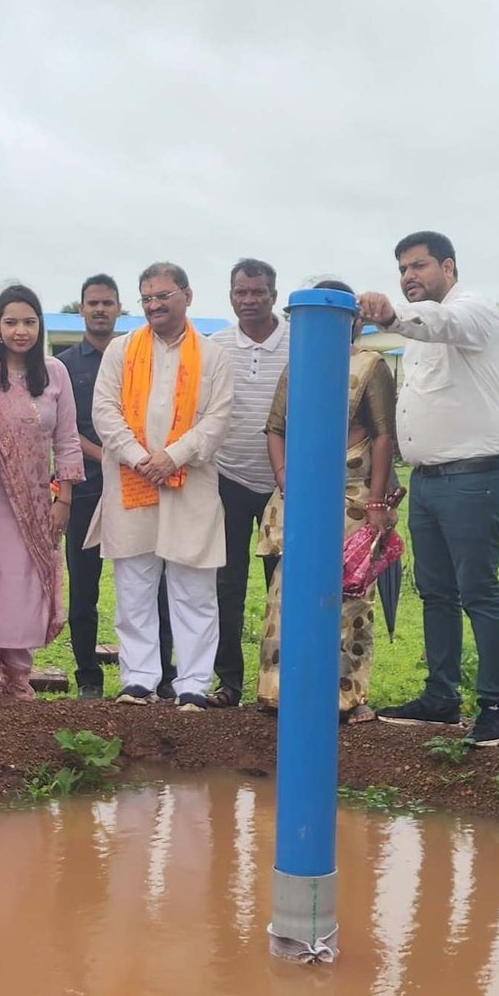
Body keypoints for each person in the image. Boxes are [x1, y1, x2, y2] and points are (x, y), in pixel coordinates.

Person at [357, 232, 499, 747]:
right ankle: (441, 697)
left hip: (473, 478)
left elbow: (443, 323)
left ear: (448, 266)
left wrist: (390, 317)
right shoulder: (420, 334)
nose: (410, 276)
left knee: (478, 590)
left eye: (420, 266)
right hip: (429, 481)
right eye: (403, 268)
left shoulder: (473, 312)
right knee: (435, 593)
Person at [89, 262, 232, 708]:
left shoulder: (213, 356)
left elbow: (218, 420)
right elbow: (104, 411)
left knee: (193, 589)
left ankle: (192, 684)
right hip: (132, 483)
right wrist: (138, 458)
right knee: (133, 586)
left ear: (186, 296)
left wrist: (173, 456)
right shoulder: (121, 349)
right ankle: (139, 679)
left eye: (162, 296)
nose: (153, 305)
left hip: (191, 487)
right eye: (146, 298)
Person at [256, 280, 397, 721]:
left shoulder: (372, 366)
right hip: (301, 496)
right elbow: (275, 429)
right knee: (289, 593)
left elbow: (383, 436)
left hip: (354, 497)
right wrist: (285, 478)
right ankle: (281, 691)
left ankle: (346, 696)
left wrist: (376, 503)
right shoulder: (297, 366)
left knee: (350, 597)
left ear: (354, 320)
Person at [58, 275, 178, 699]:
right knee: (85, 585)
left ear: (118, 308)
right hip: (89, 486)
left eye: (108, 303)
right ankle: (89, 676)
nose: (100, 309)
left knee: (152, 581)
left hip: (143, 484)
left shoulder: (140, 354)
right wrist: (112, 456)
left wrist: (138, 461)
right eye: (93, 303)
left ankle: (160, 672)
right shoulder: (66, 364)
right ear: (82, 309)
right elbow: (66, 429)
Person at [0, 285, 82, 698]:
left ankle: (17, 677)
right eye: (11, 322)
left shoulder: (54, 374)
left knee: (24, 587)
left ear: (40, 326)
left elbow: (66, 440)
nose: (20, 331)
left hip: (34, 504)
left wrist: (62, 499)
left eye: (29, 322)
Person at [208, 258, 288, 706]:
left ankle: (277, 685)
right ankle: (229, 682)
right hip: (228, 478)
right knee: (226, 586)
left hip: (285, 485)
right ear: (231, 294)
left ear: (273, 294)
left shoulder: (301, 342)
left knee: (282, 587)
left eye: (258, 292)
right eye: (241, 292)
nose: (249, 300)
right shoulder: (216, 345)